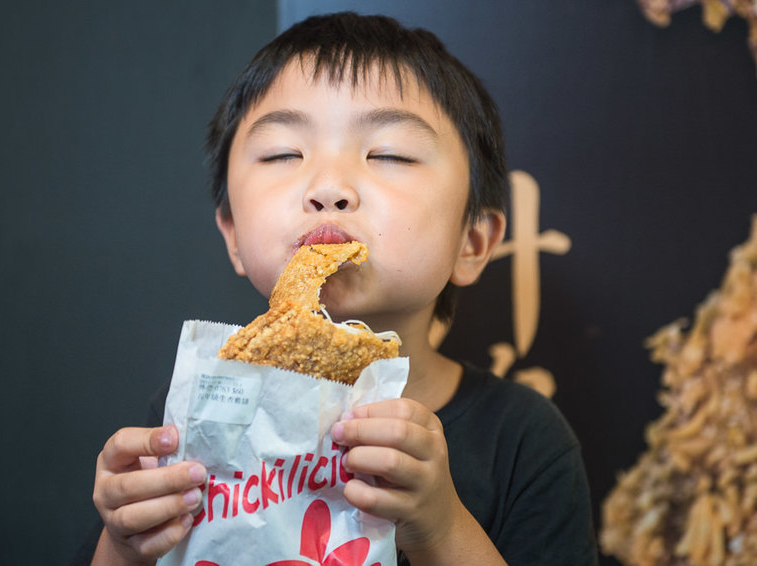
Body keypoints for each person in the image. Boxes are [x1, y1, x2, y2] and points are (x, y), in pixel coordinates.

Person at [78, 11, 598, 565]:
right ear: (232, 235)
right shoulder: (204, 403)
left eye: (389, 154)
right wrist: (124, 543)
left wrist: (441, 527)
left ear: (471, 242)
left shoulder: (521, 439)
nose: (328, 188)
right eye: (283, 154)